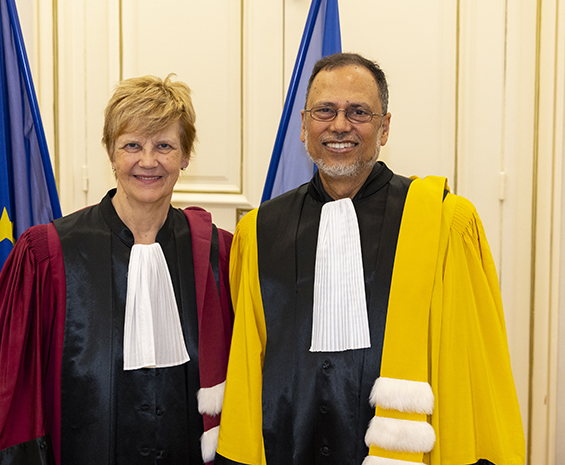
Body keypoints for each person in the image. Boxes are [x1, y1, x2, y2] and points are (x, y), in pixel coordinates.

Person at [214, 53, 524, 465]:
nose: (340, 125)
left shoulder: (445, 224)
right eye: (325, 111)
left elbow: (475, 369)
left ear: (385, 126)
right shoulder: (259, 231)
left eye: (358, 111)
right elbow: (246, 368)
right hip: (286, 449)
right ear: (304, 125)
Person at [0, 75, 234, 465]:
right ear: (110, 152)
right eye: (132, 145)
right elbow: (11, 393)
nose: (148, 161)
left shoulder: (217, 254)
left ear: (185, 156)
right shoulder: (48, 256)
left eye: (164, 146)